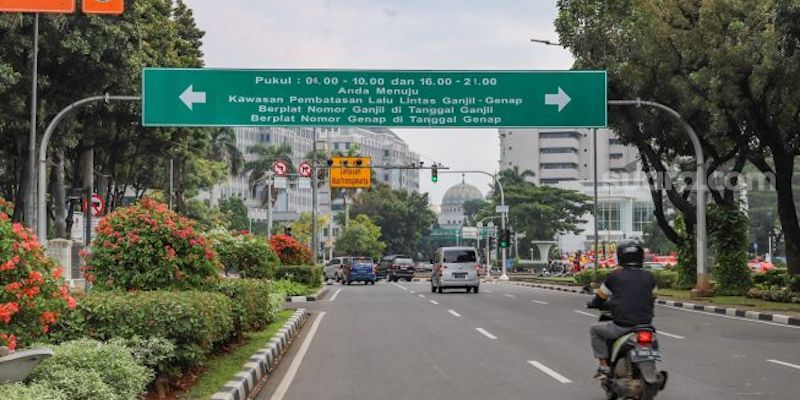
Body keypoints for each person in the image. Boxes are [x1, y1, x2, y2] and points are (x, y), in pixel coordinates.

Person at [587, 240, 657, 379]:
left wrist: (592, 303)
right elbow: (653, 297)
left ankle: (604, 366)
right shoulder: (650, 277)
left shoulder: (614, 276)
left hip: (622, 326)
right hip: (645, 326)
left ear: (620, 257)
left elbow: (601, 297)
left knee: (595, 330)